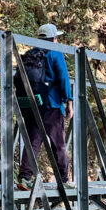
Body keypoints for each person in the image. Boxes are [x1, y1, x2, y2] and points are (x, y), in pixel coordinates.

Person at [17, 22, 73, 189]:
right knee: (58, 143)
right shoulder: (55, 53)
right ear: (54, 38)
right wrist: (69, 101)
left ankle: (24, 177)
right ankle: (63, 180)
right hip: (51, 105)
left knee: (33, 141)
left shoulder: (31, 54)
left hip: (32, 104)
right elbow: (63, 78)